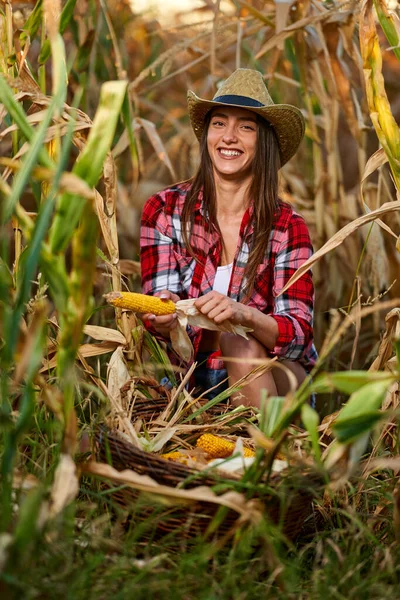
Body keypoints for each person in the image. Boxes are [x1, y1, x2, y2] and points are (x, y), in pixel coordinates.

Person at [140, 68, 317, 408]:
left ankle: (260, 454)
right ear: (207, 135)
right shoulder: (164, 210)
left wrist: (244, 316)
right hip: (189, 380)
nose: (229, 137)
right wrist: (160, 315)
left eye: (245, 126)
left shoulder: (286, 226)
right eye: (219, 123)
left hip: (276, 379)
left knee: (241, 345)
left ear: (263, 141)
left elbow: (298, 335)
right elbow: (156, 320)